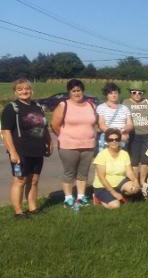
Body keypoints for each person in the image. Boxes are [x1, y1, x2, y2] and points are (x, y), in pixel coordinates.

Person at [1, 78, 52, 218]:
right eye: (20, 89)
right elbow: (5, 132)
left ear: (31, 90)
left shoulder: (38, 107)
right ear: (15, 92)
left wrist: (49, 142)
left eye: (27, 88)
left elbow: (44, 127)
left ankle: (33, 207)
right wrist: (12, 152)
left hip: (37, 150)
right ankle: (18, 212)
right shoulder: (12, 108)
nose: (24, 91)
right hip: (20, 151)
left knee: (34, 180)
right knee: (20, 180)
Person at [51, 79, 98, 208]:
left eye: (79, 90)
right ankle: (68, 198)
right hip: (68, 146)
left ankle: (81, 197)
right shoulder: (63, 105)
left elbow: (94, 123)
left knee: (83, 173)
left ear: (83, 91)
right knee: (69, 173)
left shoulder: (91, 105)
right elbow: (55, 125)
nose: (77, 93)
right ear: (69, 92)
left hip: (88, 145)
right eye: (74, 91)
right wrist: (65, 136)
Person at [92, 129, 140, 209]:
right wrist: (113, 193)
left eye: (117, 139)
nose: (114, 141)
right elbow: (101, 177)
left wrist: (135, 181)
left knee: (134, 189)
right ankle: (97, 199)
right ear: (107, 141)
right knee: (116, 205)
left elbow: (129, 172)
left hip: (119, 182)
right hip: (102, 186)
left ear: (119, 140)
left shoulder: (124, 153)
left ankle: (121, 197)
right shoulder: (101, 155)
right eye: (111, 140)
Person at [123, 81, 148, 190]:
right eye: (134, 92)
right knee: (134, 161)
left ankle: (142, 181)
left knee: (145, 160)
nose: (137, 94)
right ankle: (134, 182)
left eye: (139, 93)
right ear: (130, 92)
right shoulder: (126, 103)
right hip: (134, 135)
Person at [97, 82, 133, 149]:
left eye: (115, 93)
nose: (114, 95)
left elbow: (130, 124)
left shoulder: (125, 108)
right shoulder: (101, 107)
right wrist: (116, 136)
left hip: (122, 142)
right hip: (108, 142)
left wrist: (125, 129)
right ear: (106, 95)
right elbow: (102, 125)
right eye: (111, 93)